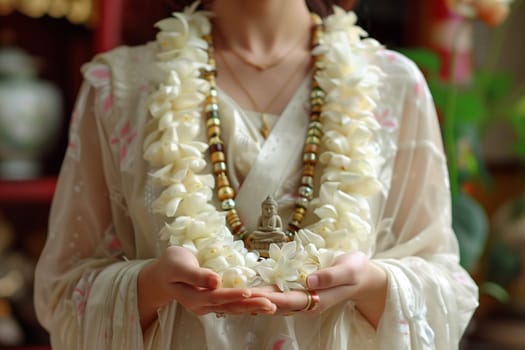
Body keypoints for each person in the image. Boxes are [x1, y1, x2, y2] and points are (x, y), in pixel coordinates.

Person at [33, 0, 479, 349]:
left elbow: (448, 288)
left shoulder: (394, 84)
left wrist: (373, 284)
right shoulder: (120, 87)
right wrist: (151, 285)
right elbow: (62, 292)